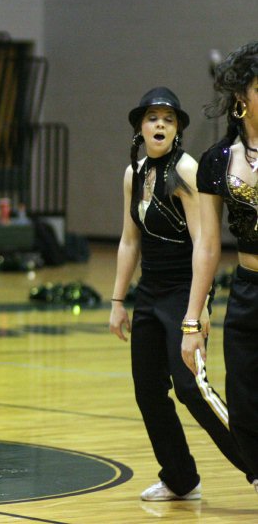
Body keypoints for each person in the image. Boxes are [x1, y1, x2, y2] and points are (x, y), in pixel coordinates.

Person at [109, 86, 252, 501]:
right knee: (147, 390)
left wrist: (200, 307)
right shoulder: (133, 173)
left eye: (168, 120)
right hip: (150, 294)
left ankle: (254, 465)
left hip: (184, 293)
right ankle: (180, 478)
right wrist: (119, 303)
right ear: (140, 125)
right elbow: (128, 241)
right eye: (152, 118)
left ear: (177, 130)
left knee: (192, 390)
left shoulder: (186, 170)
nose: (159, 125)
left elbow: (204, 243)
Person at [182, 42, 258, 491]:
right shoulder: (216, 161)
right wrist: (193, 320)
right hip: (247, 290)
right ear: (239, 97)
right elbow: (207, 245)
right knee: (245, 405)